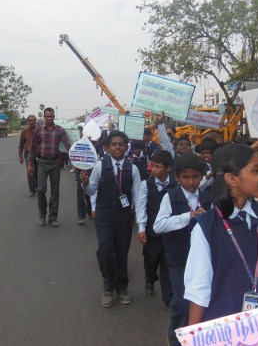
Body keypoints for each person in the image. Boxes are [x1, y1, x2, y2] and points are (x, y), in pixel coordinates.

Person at [184, 143, 258, 325]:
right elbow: (199, 290)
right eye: (256, 171)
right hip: (223, 327)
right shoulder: (207, 227)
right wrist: (192, 338)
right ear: (231, 179)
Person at [154, 153, 211, 346]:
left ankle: (197, 336)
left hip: (203, 261)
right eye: (186, 177)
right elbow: (158, 226)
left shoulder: (207, 198)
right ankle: (176, 338)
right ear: (177, 177)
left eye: (195, 177)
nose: (191, 181)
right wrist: (188, 216)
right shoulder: (170, 197)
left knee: (201, 300)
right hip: (179, 259)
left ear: (202, 176)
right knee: (181, 303)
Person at [80, 130, 141, 308]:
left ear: (126, 147)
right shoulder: (100, 166)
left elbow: (137, 196)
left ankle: (122, 287)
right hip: (104, 214)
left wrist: (140, 222)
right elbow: (91, 191)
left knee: (121, 253)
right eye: (113, 144)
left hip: (124, 216)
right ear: (107, 147)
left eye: (121, 144)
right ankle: (108, 285)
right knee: (106, 250)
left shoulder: (133, 169)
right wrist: (84, 183)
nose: (117, 147)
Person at [135, 150, 176, 308]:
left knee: (167, 264)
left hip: (169, 232)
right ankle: (150, 279)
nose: (153, 169)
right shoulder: (147, 184)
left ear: (168, 169)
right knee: (150, 261)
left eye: (158, 167)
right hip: (152, 232)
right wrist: (141, 228)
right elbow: (141, 207)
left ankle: (168, 297)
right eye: (153, 166)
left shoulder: (175, 185)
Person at [27, 107, 71, 227]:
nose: (50, 118)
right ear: (44, 117)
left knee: (55, 191)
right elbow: (33, 148)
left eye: (51, 116)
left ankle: (53, 217)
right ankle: (42, 214)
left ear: (54, 116)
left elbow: (67, 145)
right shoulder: (38, 130)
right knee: (41, 189)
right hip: (42, 163)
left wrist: (76, 160)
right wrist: (30, 164)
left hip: (56, 163)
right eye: (47, 116)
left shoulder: (60, 130)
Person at [18, 115, 38, 197]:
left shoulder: (39, 130)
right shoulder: (24, 131)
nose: (32, 122)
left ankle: (37, 186)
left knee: (37, 171)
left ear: (35, 121)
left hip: (38, 154)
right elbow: (21, 144)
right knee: (30, 171)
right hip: (28, 154)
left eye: (33, 120)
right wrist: (20, 156)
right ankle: (32, 189)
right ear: (28, 121)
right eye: (30, 120)